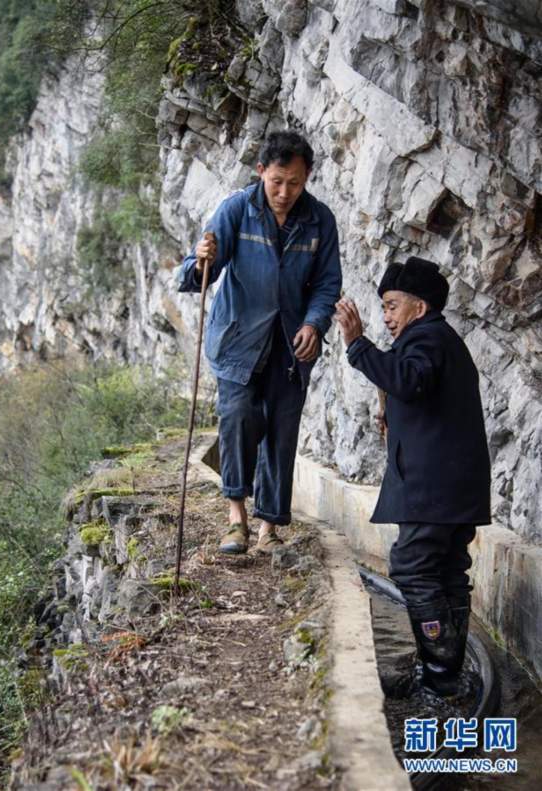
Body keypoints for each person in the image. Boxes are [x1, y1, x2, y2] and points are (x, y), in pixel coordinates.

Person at [179, 130, 342, 555]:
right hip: (238, 341)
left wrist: (314, 324)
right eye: (276, 182)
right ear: (261, 173)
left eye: (295, 183)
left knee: (281, 433)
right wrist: (200, 260)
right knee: (237, 417)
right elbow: (201, 271)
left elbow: (327, 284)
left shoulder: (319, 220)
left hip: (291, 347)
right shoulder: (237, 209)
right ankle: (236, 519)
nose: (285, 192)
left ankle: (269, 528)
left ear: (306, 178)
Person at [335, 257, 491, 698]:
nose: (385, 317)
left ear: (419, 308)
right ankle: (444, 674)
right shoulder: (439, 339)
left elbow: (410, 379)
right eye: (383, 308)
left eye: (392, 306)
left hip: (435, 489)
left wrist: (358, 344)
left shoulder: (427, 338)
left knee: (412, 566)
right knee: (446, 572)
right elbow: (417, 390)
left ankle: (441, 678)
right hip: (453, 487)